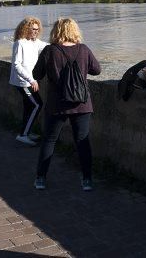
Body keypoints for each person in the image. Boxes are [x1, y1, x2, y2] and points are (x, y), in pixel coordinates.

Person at [32, 18, 101, 192]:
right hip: (81, 104)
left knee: (49, 140)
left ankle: (40, 179)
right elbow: (97, 70)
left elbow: (36, 74)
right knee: (82, 142)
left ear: (56, 31)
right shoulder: (84, 49)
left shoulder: (50, 50)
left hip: (57, 104)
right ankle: (87, 180)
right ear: (75, 31)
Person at [8, 16, 48, 146]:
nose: (36, 31)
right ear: (26, 28)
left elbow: (48, 46)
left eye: (37, 29)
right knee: (37, 105)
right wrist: (31, 80)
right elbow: (16, 65)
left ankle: (26, 131)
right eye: (33, 29)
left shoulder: (35, 42)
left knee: (29, 107)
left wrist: (64, 43)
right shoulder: (20, 43)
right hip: (23, 82)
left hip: (28, 81)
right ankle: (23, 135)